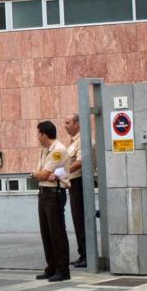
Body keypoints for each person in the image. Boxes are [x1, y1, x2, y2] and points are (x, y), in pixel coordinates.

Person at [31, 121, 71, 282]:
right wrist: (39, 173)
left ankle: (63, 270)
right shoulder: (45, 151)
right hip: (44, 193)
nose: (37, 137)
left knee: (57, 233)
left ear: (44, 134)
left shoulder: (58, 151)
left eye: (38, 134)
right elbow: (41, 173)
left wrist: (36, 174)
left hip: (54, 194)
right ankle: (52, 267)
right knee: (46, 233)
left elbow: (41, 174)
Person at [65, 114, 86, 268]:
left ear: (77, 124)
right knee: (77, 220)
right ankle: (82, 254)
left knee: (81, 220)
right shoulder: (72, 142)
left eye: (68, 122)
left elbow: (80, 162)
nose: (65, 125)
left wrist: (61, 172)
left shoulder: (83, 141)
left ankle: (87, 255)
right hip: (73, 184)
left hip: (80, 183)